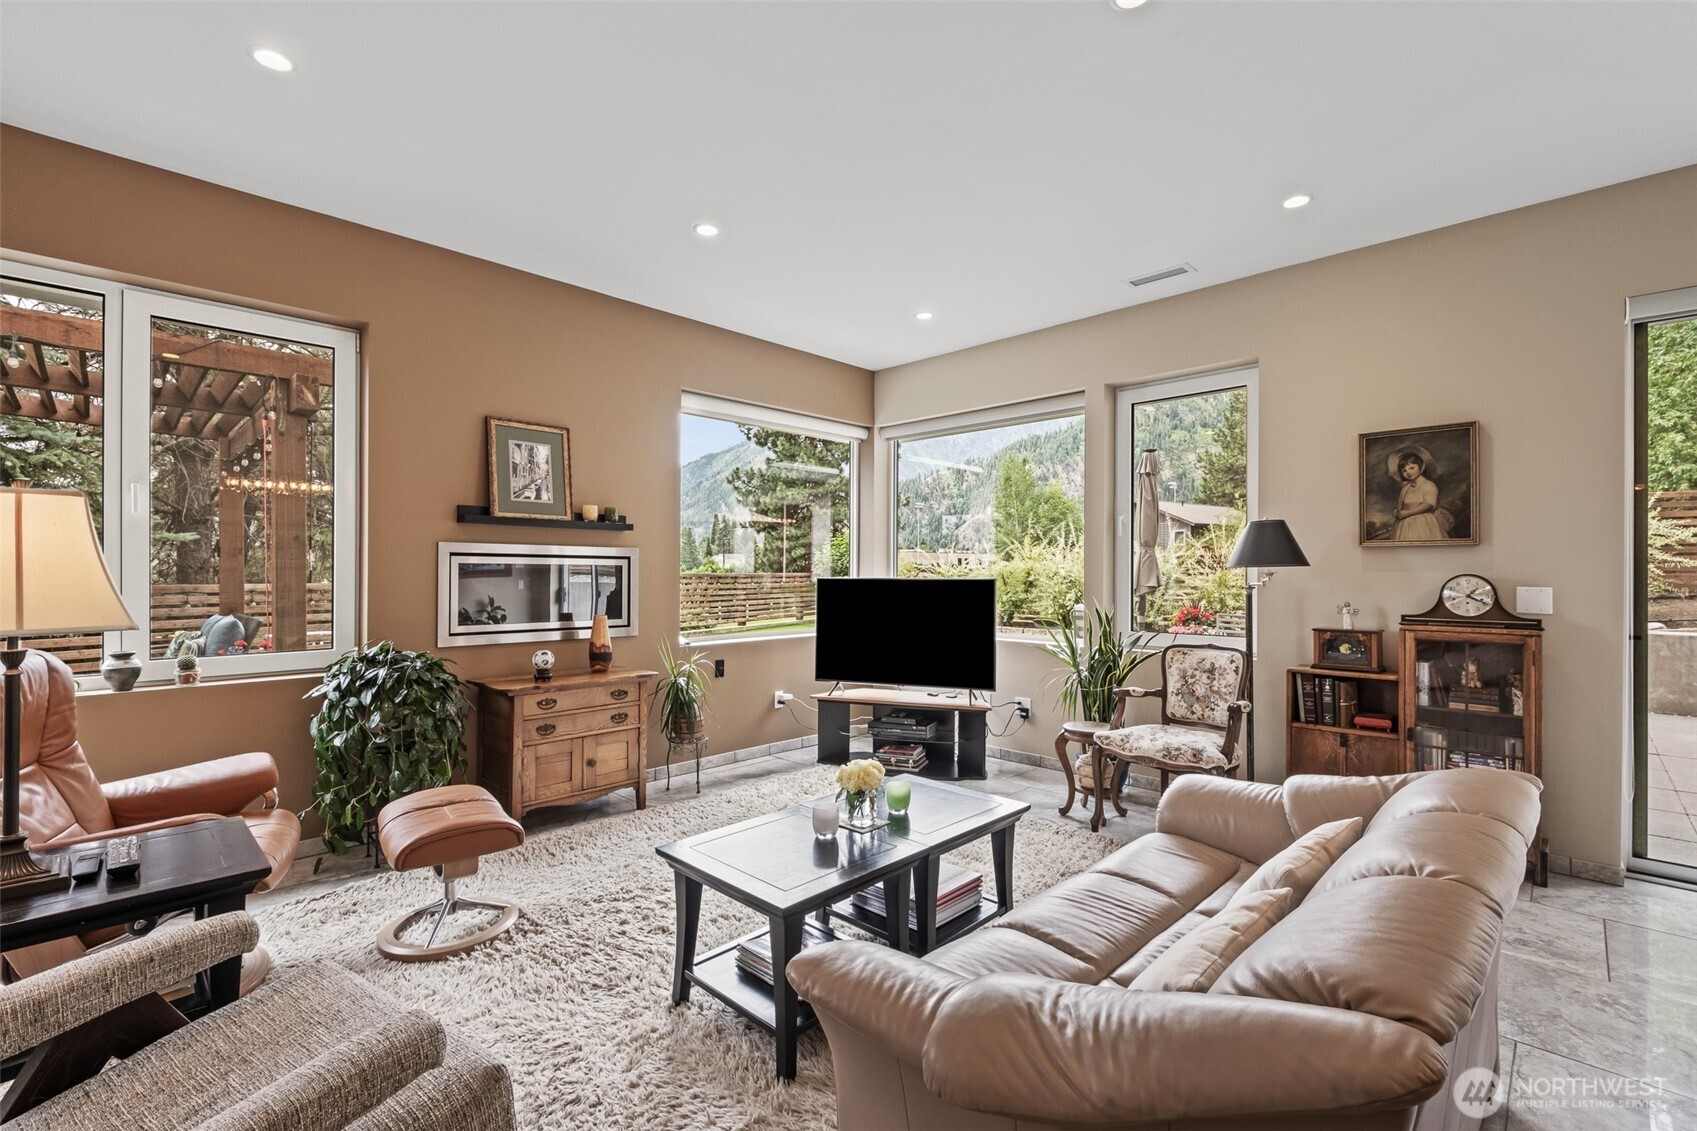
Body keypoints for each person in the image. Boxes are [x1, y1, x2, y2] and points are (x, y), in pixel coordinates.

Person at [1389, 449, 1451, 541]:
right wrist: (1397, 512)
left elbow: (1429, 504)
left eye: (1412, 468)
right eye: (1404, 471)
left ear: (1421, 467)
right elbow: (1402, 503)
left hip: (1422, 522)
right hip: (1404, 523)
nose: (1408, 472)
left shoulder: (1428, 485)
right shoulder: (1406, 487)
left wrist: (1408, 513)